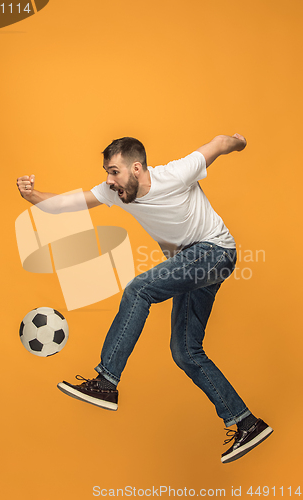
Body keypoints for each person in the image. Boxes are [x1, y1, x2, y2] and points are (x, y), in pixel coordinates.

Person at [16, 134, 273, 463]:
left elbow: (219, 144)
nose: (109, 181)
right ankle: (246, 422)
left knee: (139, 288)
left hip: (214, 252)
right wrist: (31, 195)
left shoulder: (177, 173)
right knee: (185, 352)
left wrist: (239, 141)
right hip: (191, 264)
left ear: (136, 168)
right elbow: (67, 204)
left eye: (114, 172)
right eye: (107, 173)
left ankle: (107, 380)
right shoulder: (116, 193)